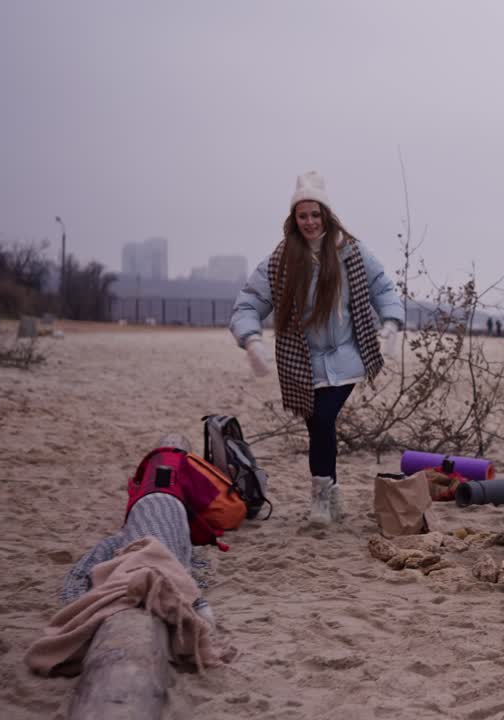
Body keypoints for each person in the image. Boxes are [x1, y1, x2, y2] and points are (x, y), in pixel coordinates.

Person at [230, 171, 402, 524]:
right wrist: (251, 339)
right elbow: (249, 302)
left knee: (323, 418)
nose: (309, 222)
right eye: (302, 215)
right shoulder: (281, 260)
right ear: (294, 219)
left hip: (347, 354)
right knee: (317, 427)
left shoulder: (350, 252)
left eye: (315, 214)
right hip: (301, 361)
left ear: (326, 214)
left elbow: (383, 287)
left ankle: (321, 499)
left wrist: (391, 322)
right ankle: (331, 495)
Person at [61, 433, 216, 629]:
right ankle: (191, 599)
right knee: (167, 554)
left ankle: (177, 591)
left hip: (145, 514)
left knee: (132, 551)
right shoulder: (188, 471)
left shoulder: (149, 473)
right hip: (166, 520)